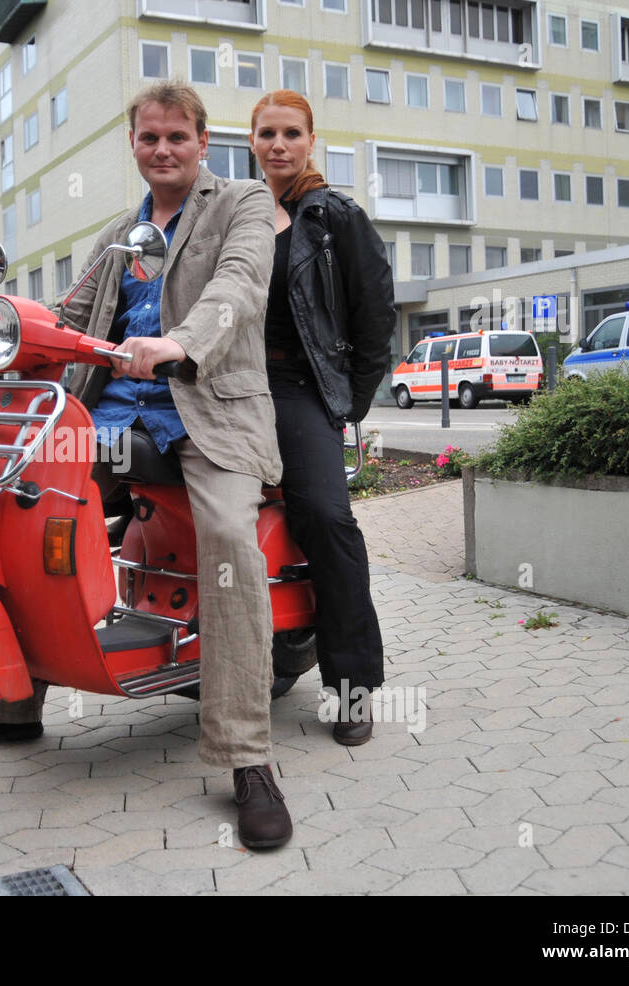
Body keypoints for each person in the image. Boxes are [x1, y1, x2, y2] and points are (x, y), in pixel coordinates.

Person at [0, 81, 291, 849]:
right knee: (14, 494)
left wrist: (178, 342)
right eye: (149, 139)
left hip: (210, 419)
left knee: (231, 546)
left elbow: (237, 289)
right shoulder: (119, 234)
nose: (162, 150)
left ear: (204, 141)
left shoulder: (241, 206)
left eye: (177, 137)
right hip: (110, 421)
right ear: (133, 145)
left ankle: (249, 758)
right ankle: (16, 694)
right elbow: (67, 317)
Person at [248, 89, 395, 744]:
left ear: (311, 142)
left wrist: (349, 401)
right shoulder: (240, 215)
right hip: (235, 384)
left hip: (299, 382)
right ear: (251, 142)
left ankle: (353, 687)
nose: (278, 144)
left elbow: (375, 314)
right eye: (266, 133)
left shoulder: (334, 215)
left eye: (290, 133)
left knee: (329, 519)